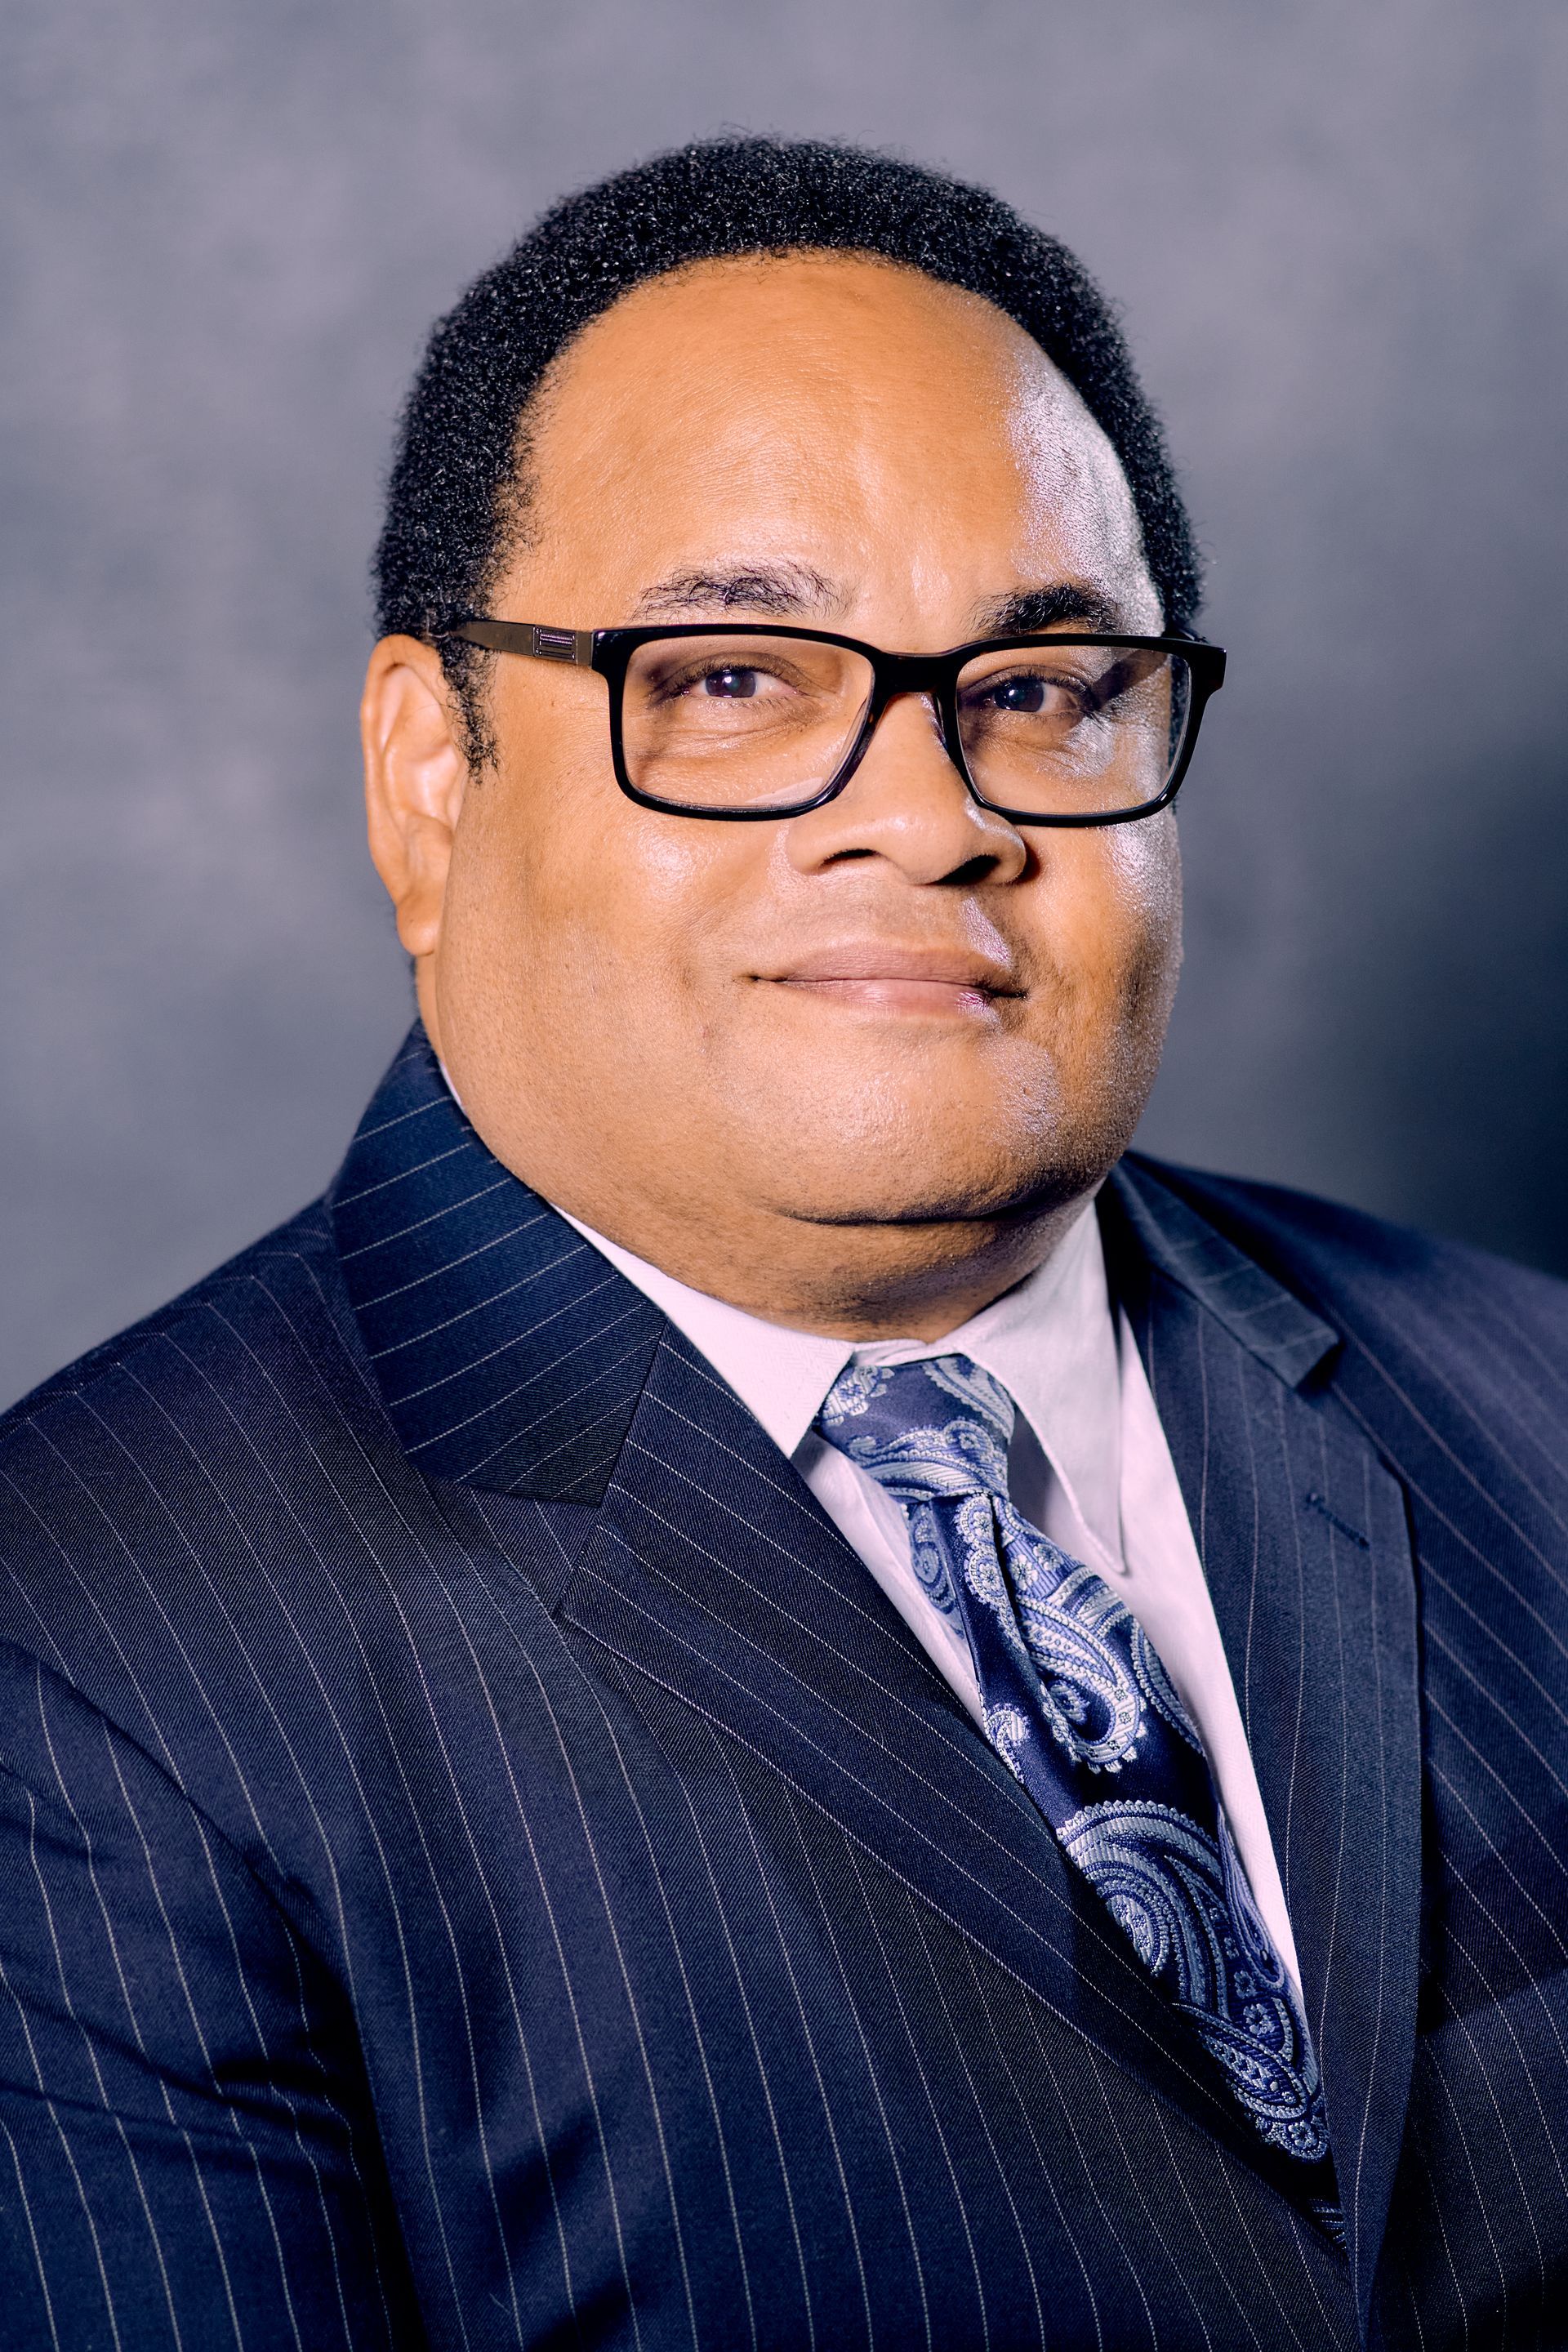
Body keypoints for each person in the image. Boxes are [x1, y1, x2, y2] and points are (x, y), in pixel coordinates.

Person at [1, 136, 1563, 2352]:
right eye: (733, 680)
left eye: (1042, 689)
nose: (934, 818)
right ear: (429, 780)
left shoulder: (1534, 1406)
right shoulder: (83, 1672)